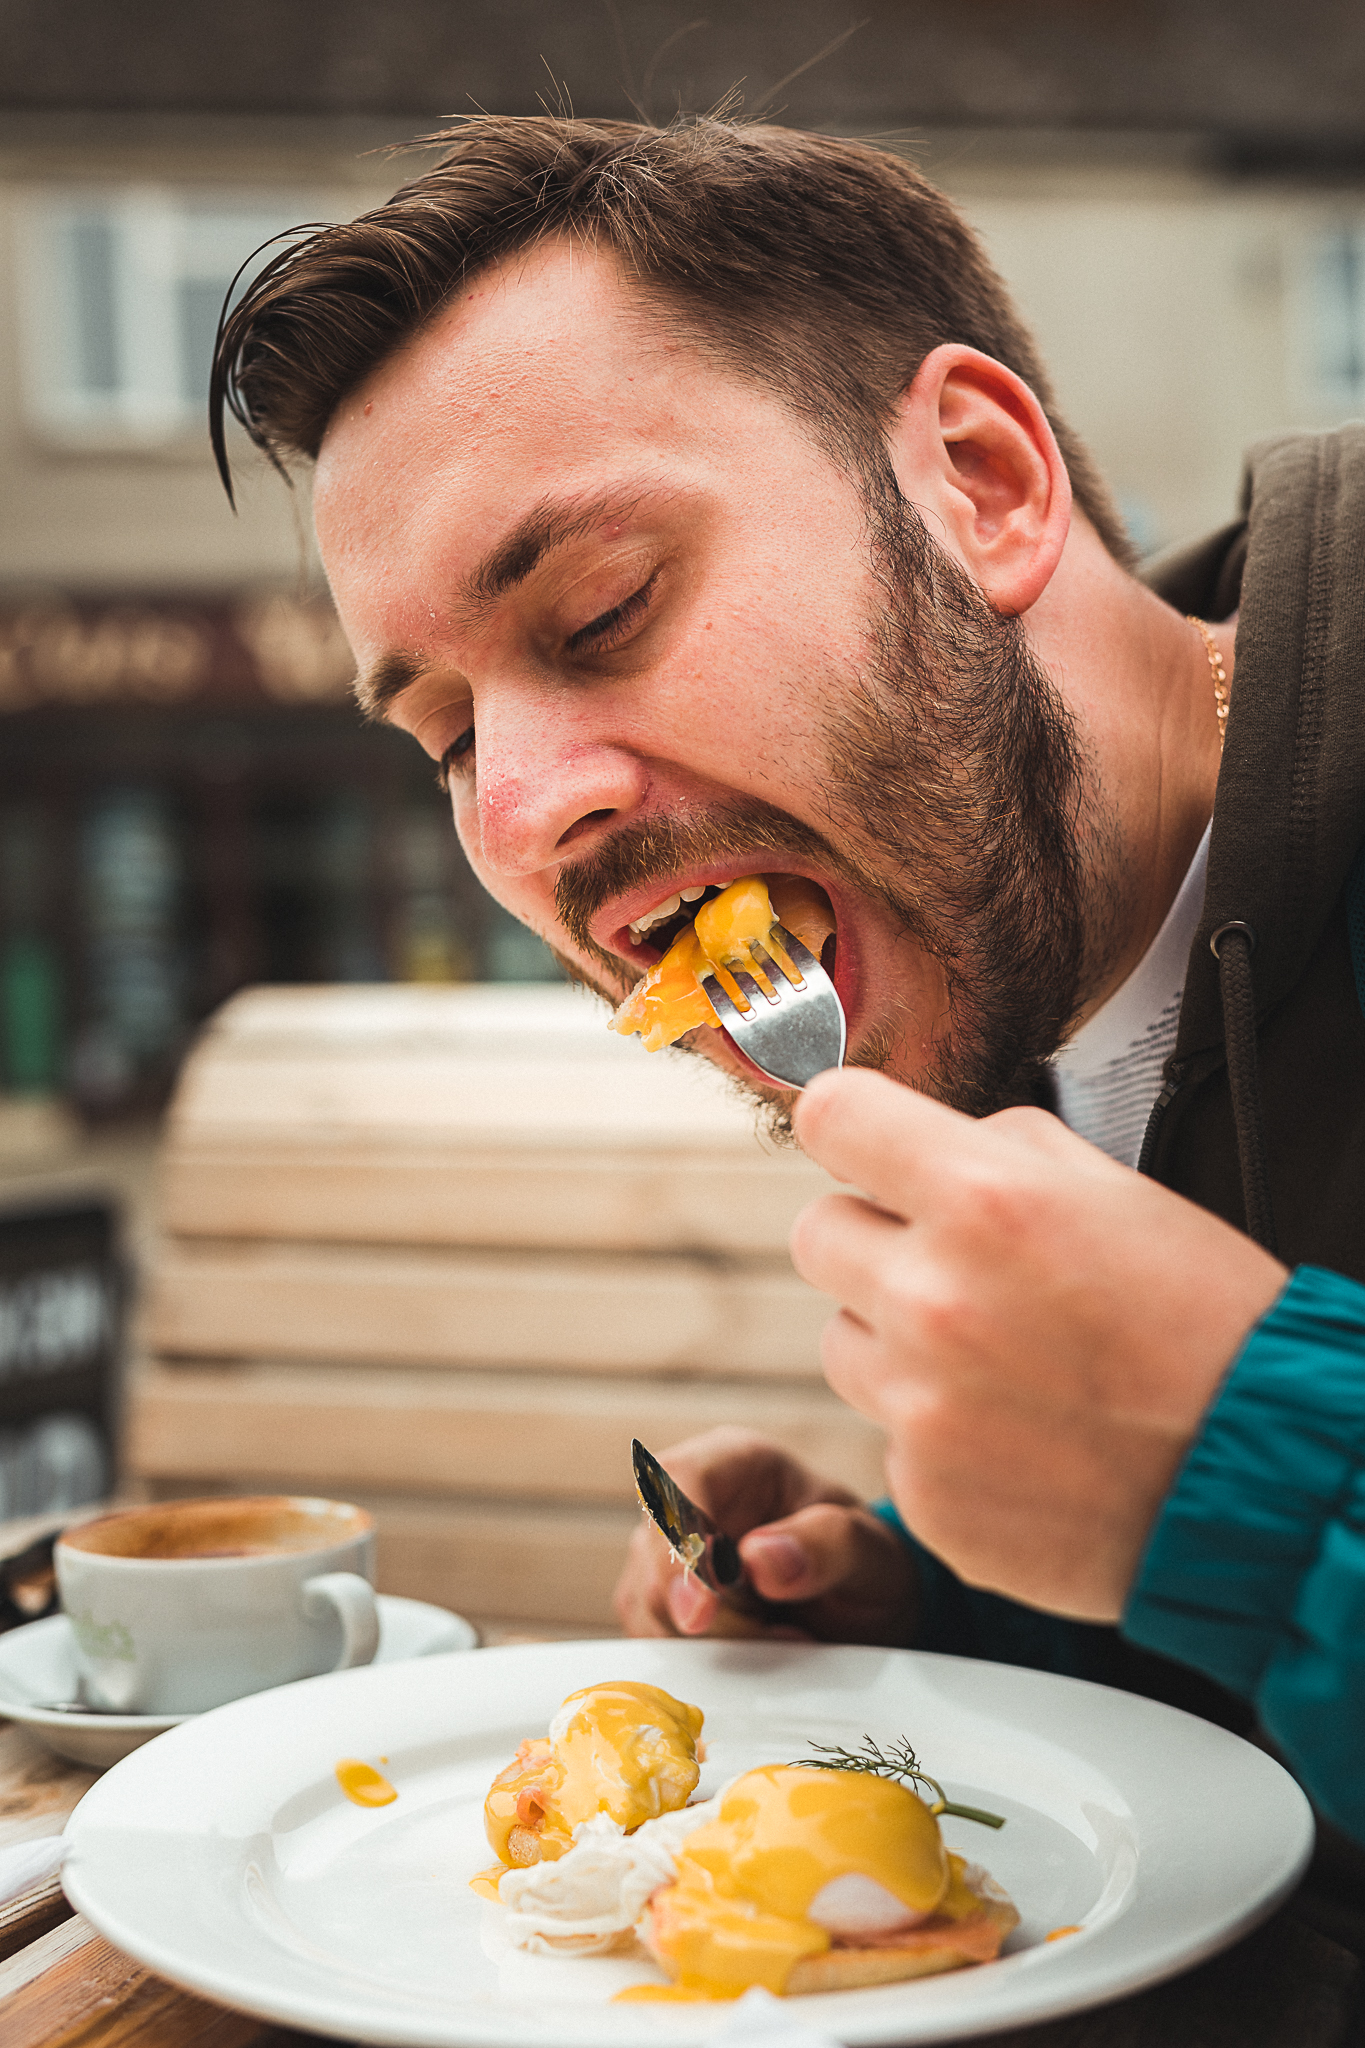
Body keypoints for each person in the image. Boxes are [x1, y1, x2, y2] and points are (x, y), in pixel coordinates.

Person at [211, 117, 1365, 1853]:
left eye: (603, 612)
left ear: (980, 483)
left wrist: (1262, 1482)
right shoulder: (1006, 956)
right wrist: (972, 1609)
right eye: (444, 740)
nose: (515, 817)